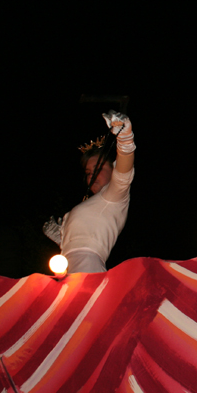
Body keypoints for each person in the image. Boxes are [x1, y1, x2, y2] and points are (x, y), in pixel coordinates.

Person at [54, 110, 135, 273]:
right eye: (88, 172)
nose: (92, 175)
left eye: (98, 168)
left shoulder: (113, 196)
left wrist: (125, 138)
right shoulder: (90, 204)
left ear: (112, 169)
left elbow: (123, 173)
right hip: (65, 270)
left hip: (87, 267)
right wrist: (60, 237)